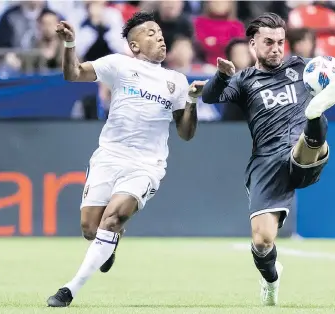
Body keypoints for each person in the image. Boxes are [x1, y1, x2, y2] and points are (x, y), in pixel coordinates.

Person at [201, 12, 335, 306]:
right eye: (269, 43)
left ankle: (314, 117)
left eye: (280, 42)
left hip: (304, 153)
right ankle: (271, 277)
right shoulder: (244, 81)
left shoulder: (302, 68)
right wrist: (222, 75)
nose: (276, 48)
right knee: (262, 241)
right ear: (253, 44)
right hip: (267, 162)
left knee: (312, 125)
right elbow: (210, 97)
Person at [47, 11, 206, 307]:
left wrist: (193, 101)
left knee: (113, 218)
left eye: (160, 31)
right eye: (150, 33)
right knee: (90, 230)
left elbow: (186, 133)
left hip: (147, 165)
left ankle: (69, 289)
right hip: (109, 157)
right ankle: (111, 240)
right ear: (134, 46)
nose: (159, 36)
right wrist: (70, 45)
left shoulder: (176, 81)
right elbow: (74, 74)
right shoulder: (118, 65)